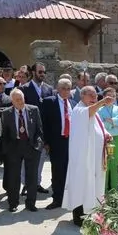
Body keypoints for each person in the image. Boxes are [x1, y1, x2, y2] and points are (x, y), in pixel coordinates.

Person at [63, 87, 114, 226]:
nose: (94, 97)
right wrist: (103, 102)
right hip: (83, 159)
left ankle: (93, 212)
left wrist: (106, 135)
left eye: (95, 95)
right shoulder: (79, 110)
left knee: (95, 184)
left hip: (96, 157)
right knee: (83, 184)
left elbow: (98, 128)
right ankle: (80, 216)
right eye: (90, 95)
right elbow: (88, 113)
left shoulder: (95, 112)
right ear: (82, 96)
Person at [0, 89, 44, 213]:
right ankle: (13, 203)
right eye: (17, 100)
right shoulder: (7, 113)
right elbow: (5, 133)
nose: (20, 102)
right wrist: (7, 149)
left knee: (32, 177)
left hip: (31, 146)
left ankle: (30, 203)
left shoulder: (33, 110)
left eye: (21, 99)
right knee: (13, 177)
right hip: (14, 147)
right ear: (12, 101)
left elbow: (39, 130)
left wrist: (38, 147)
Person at [41, 79, 75, 210]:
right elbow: (44, 122)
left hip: (71, 141)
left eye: (68, 88)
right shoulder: (50, 101)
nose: (66, 91)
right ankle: (57, 199)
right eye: (64, 88)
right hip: (57, 142)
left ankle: (69, 198)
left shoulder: (73, 103)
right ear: (58, 89)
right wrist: (46, 142)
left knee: (69, 171)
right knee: (58, 171)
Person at [98, 87, 118, 193]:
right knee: (105, 164)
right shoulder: (99, 109)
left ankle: (114, 189)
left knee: (115, 164)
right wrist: (113, 123)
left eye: (113, 96)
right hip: (104, 139)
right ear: (104, 97)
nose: (111, 98)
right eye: (109, 96)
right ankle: (103, 190)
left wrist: (110, 121)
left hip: (117, 138)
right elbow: (100, 124)